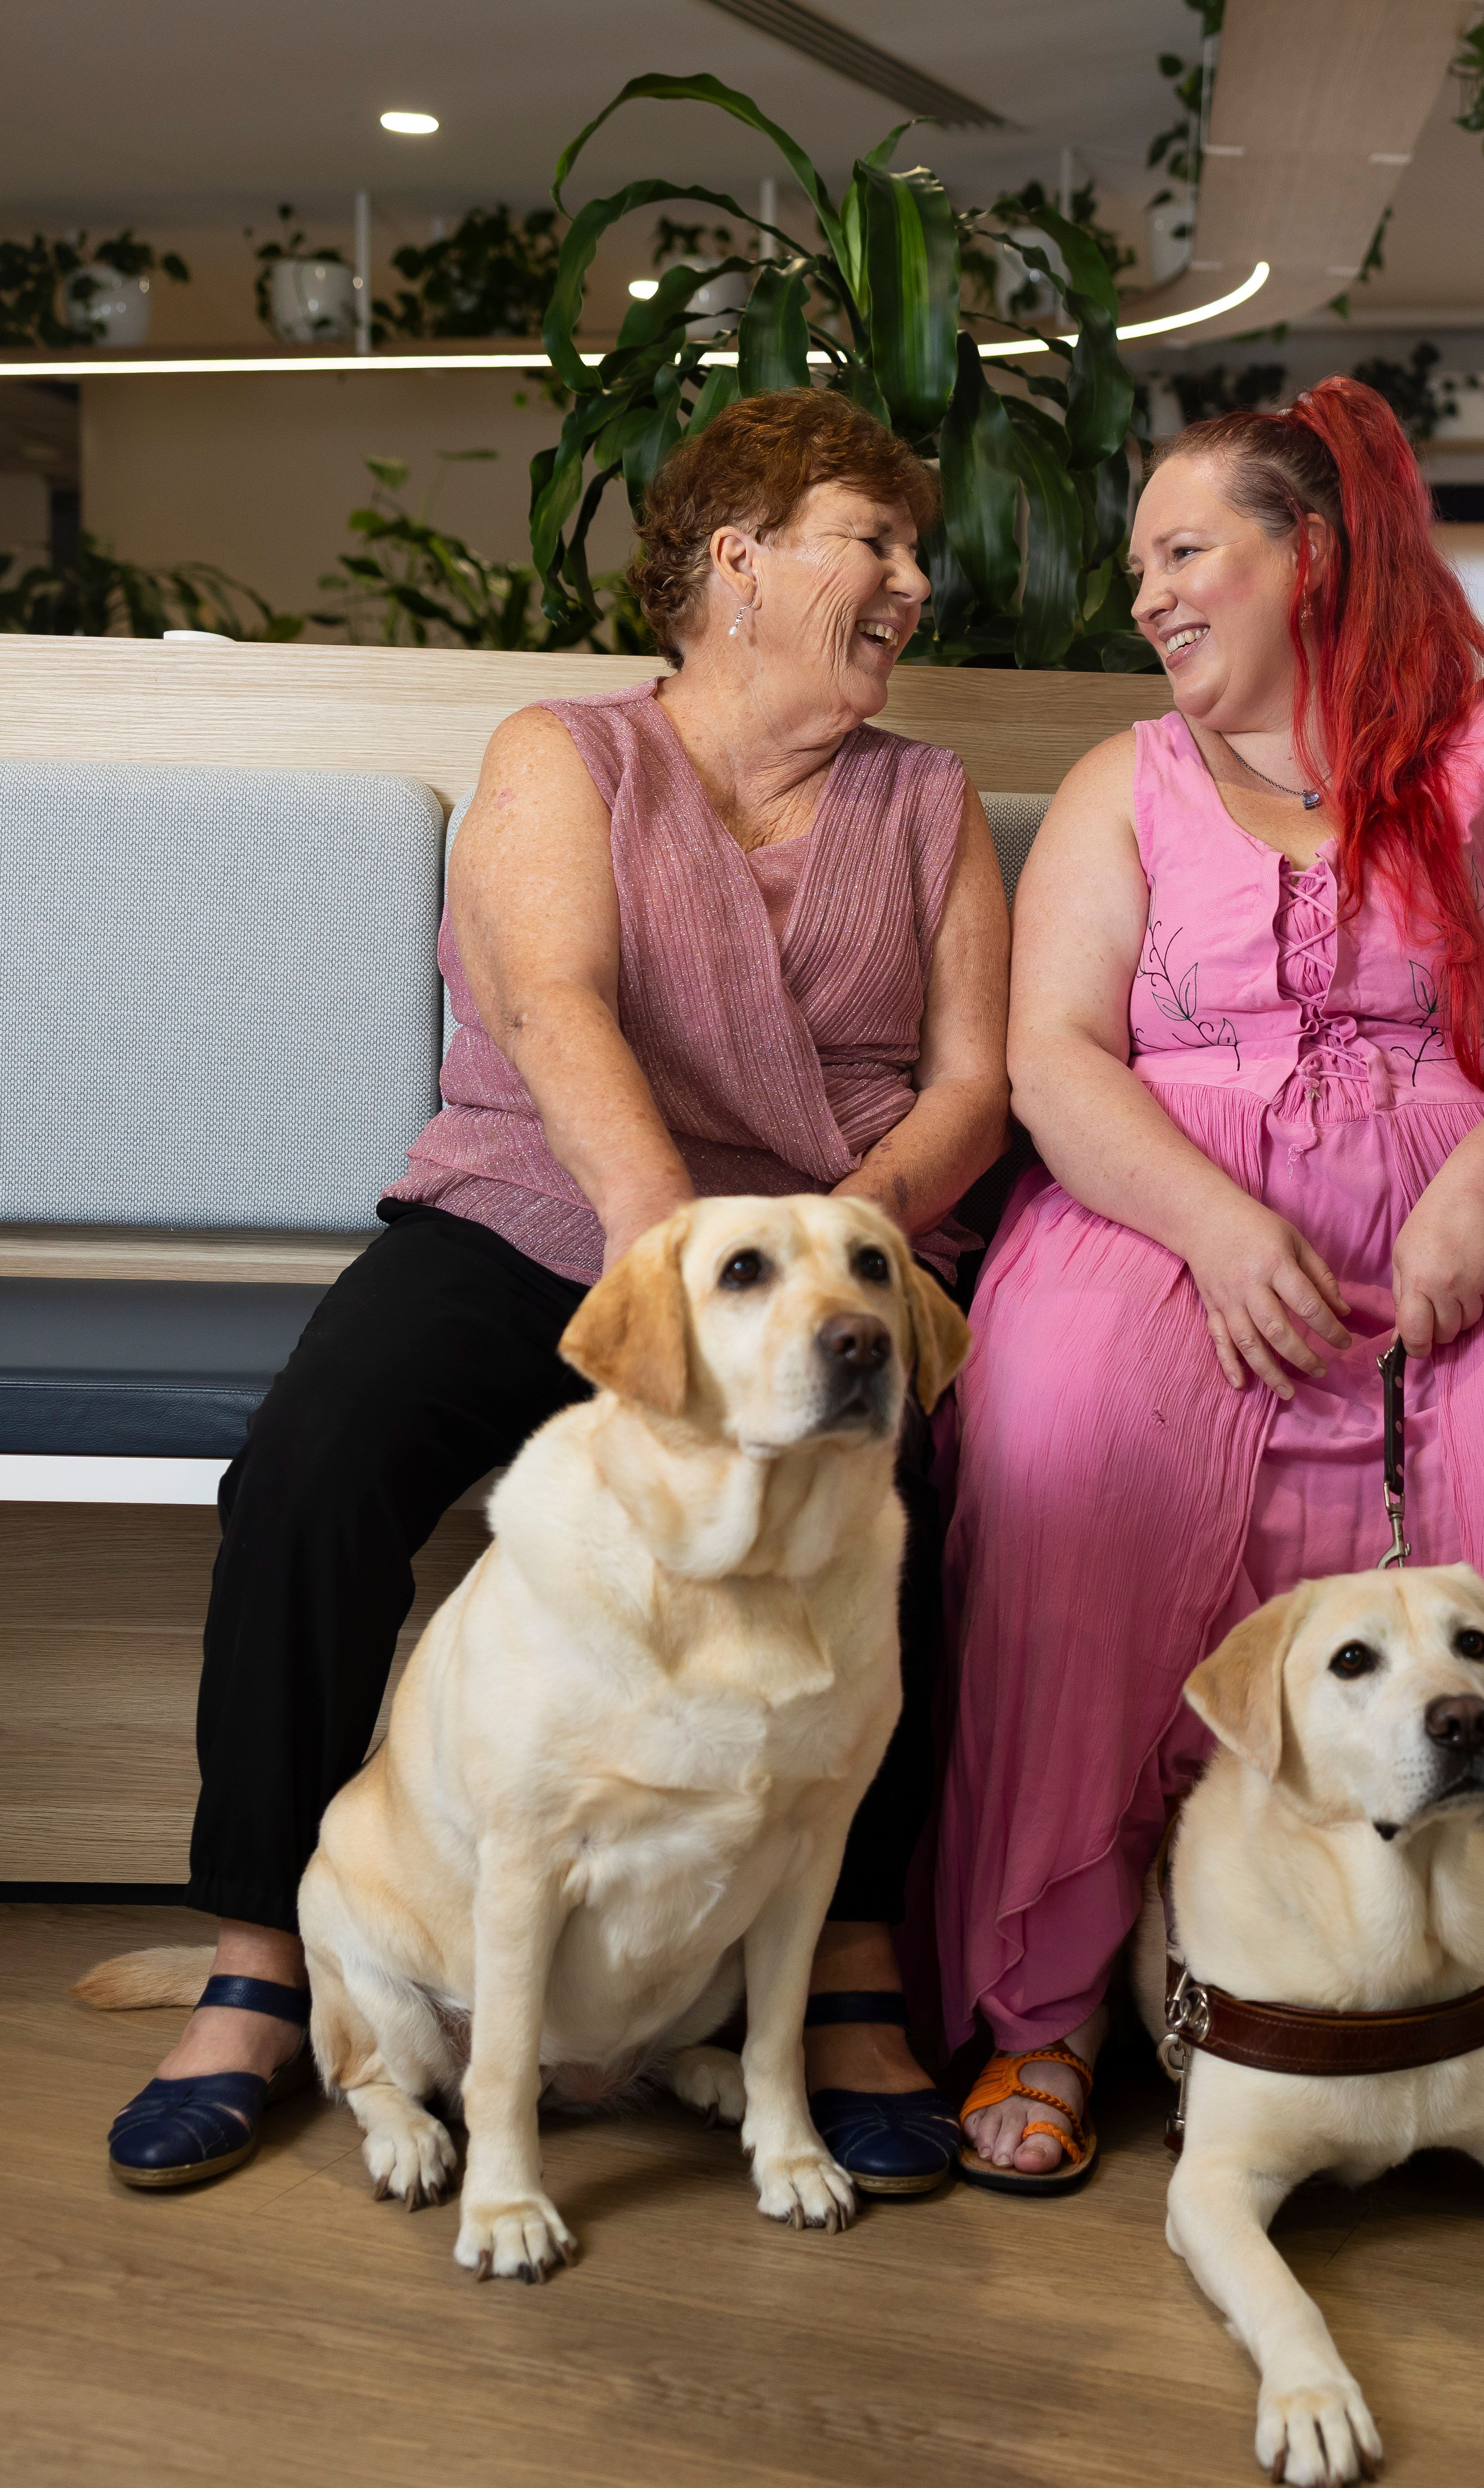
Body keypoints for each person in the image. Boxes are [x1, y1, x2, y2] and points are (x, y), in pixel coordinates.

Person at [105, 389, 1010, 2199]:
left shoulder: (926, 804)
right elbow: (552, 1006)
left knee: (932, 1488)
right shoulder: (566, 753)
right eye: (874, 540)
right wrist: (680, 1274)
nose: (913, 579)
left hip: (821, 1240)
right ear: (738, 564)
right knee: (315, 1461)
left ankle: (842, 1965)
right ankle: (263, 1955)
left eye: (916, 550)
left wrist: (829, 1257)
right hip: (547, 1214)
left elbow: (974, 1085)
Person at [930, 376, 1484, 2190]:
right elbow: (1052, 1056)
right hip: (1164, 1216)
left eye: (1182, 550)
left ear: (1311, 555)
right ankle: (1043, 2003)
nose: (1147, 595)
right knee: (1058, 1436)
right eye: (1138, 566)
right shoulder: (1125, 790)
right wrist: (1209, 1223)